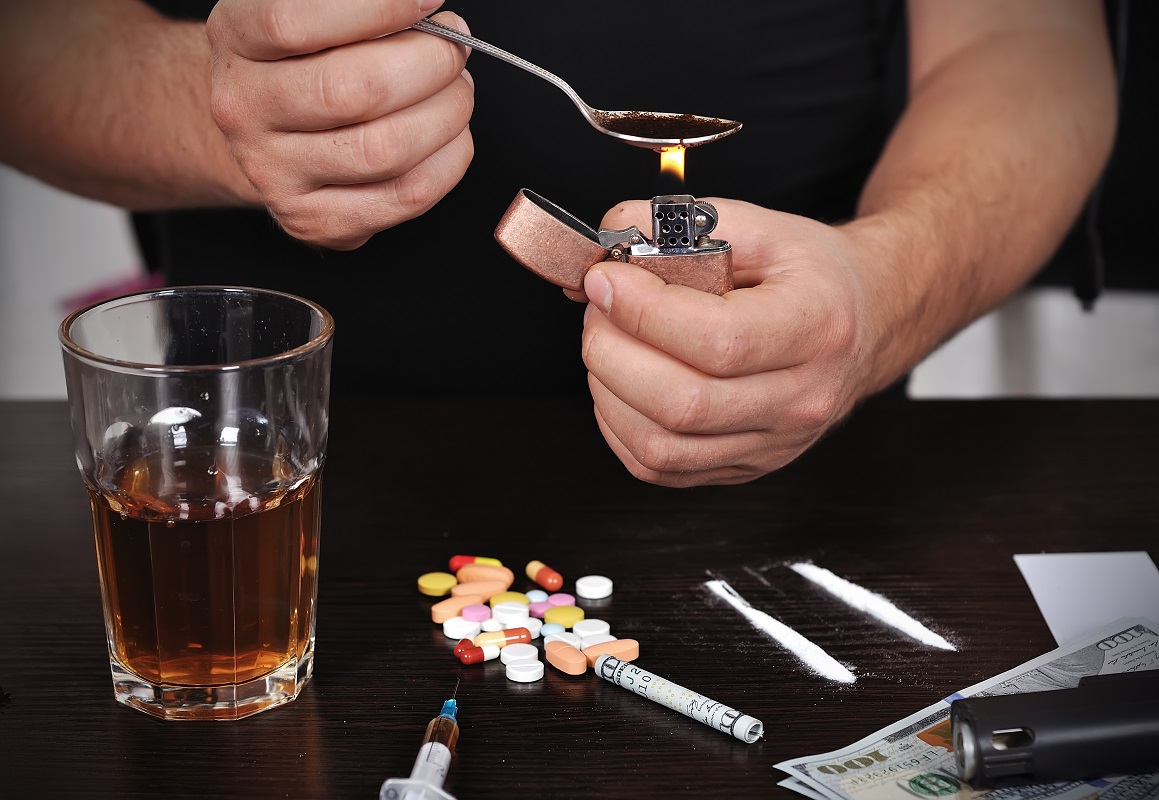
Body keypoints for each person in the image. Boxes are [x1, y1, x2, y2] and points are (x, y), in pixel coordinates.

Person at [0, 1, 1117, 487]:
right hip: (283, 484)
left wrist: (885, 286)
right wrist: (211, 105)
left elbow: (1026, 41)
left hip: (824, 494)